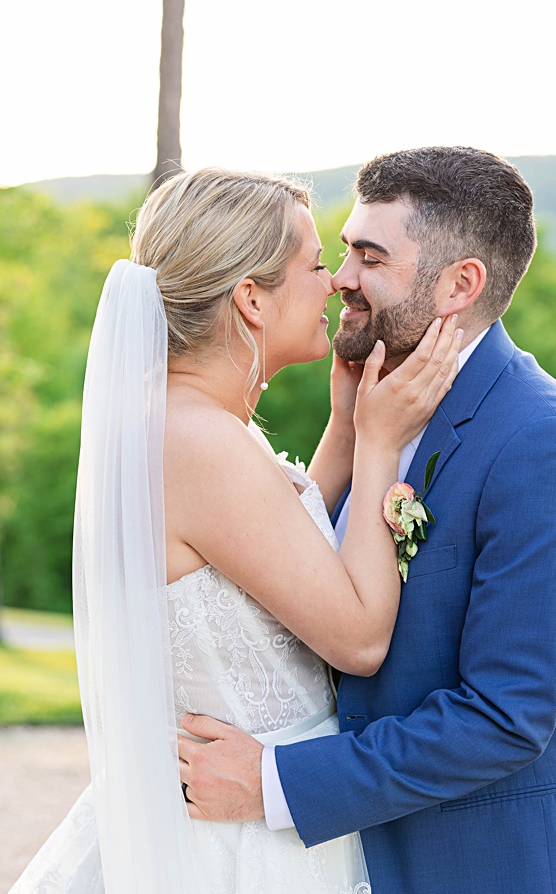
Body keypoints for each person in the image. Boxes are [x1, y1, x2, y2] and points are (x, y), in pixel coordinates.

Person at [9, 167, 462, 893]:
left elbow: (267, 549)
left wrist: (344, 425)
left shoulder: (186, 426)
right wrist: (380, 444)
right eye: (314, 265)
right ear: (250, 298)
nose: (335, 284)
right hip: (242, 845)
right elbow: (359, 638)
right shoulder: (201, 444)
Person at [178, 147, 556, 893]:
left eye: (368, 257)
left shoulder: (533, 439)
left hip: (460, 866)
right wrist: (350, 431)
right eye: (343, 251)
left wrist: (277, 782)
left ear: (460, 284)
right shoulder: (371, 405)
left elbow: (509, 714)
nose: (339, 279)